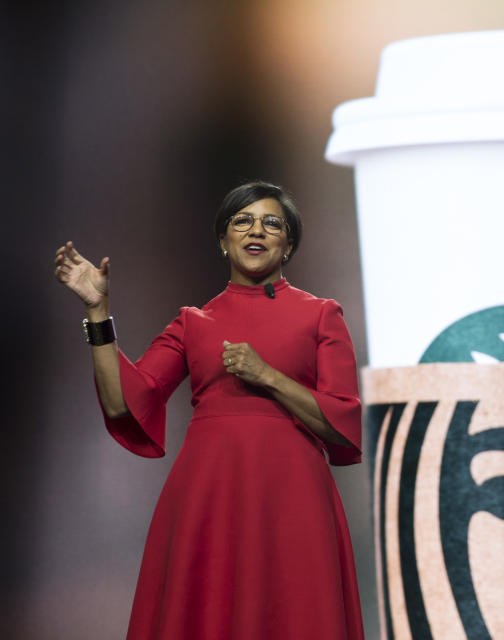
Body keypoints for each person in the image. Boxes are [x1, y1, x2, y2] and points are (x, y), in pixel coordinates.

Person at [54, 181, 364, 639]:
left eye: (271, 223)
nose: (256, 229)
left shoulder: (322, 315)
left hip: (293, 498)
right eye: (242, 221)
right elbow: (124, 401)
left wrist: (269, 377)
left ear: (289, 243)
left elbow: (343, 425)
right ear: (224, 239)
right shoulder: (192, 322)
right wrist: (99, 313)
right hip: (209, 494)